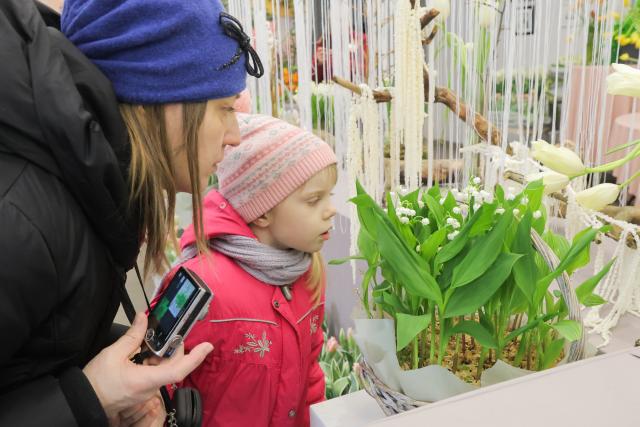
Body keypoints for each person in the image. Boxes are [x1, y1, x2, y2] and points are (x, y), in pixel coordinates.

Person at [0, 0, 262, 425]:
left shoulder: (96, 182)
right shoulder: (22, 222)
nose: (234, 136)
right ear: (159, 97)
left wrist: (120, 369)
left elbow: (38, 345)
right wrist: (91, 399)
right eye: (225, 109)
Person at [156, 113, 337, 426]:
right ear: (263, 211)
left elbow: (309, 375)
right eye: (313, 200)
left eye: (329, 196)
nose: (331, 209)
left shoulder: (307, 271)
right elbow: (154, 376)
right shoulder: (203, 281)